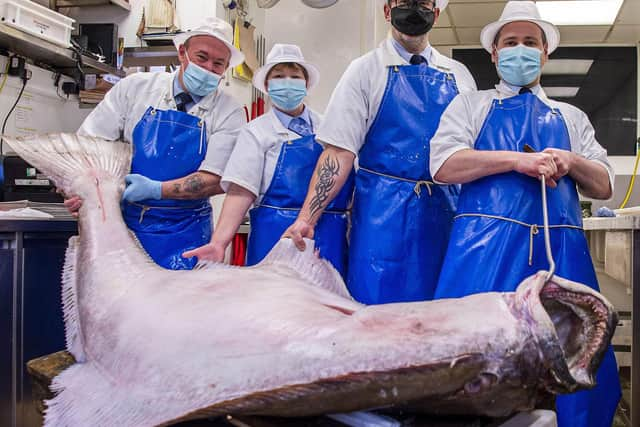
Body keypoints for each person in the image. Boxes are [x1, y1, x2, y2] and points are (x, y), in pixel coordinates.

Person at [429, 2, 620, 426]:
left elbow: (605, 183)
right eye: (510, 42)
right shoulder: (470, 106)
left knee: (576, 355)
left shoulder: (571, 117)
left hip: (561, 253)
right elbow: (444, 165)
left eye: (530, 43)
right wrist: (517, 161)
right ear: (495, 55)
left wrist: (571, 160)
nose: (520, 50)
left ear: (545, 53)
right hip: (484, 250)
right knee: (470, 355)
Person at [282, 0, 476, 304]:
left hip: (447, 213)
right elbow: (338, 152)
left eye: (423, 2)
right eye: (404, 1)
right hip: (381, 217)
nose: (413, 8)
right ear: (387, 10)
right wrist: (307, 218)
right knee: (375, 310)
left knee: (443, 315)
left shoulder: (459, 76)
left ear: (436, 14)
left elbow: (472, 155)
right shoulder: (364, 71)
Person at [64, 17, 246, 270]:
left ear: (226, 68)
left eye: (218, 64)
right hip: (121, 225)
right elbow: (88, 147)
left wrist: (156, 189)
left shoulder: (229, 111)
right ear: (182, 53)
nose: (207, 68)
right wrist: (84, 190)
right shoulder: (135, 88)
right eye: (201, 57)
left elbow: (216, 179)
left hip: (188, 233)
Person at [183, 44, 354, 275]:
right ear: (266, 85)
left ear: (306, 84)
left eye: (294, 77)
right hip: (274, 240)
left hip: (329, 238)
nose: (287, 83)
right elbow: (240, 192)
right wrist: (219, 243)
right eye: (279, 76)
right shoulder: (256, 132)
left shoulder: (329, 128)